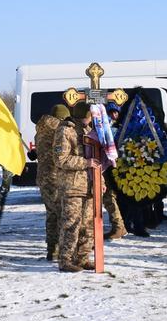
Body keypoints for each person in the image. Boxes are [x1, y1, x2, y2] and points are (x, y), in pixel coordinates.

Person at [53, 102, 100, 272]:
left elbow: (96, 159)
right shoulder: (65, 131)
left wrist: (99, 181)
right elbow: (61, 159)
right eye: (89, 117)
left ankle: (82, 258)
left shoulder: (88, 131)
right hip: (72, 186)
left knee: (88, 225)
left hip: (89, 185)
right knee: (71, 224)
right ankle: (65, 260)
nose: (90, 120)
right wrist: (85, 163)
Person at [34, 103, 69, 259]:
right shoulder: (58, 128)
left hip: (43, 177)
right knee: (62, 214)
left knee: (51, 214)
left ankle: (52, 249)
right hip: (56, 176)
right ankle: (62, 249)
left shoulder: (40, 130)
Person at [102, 102, 128, 240]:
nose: (114, 115)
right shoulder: (105, 126)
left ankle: (119, 226)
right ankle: (118, 226)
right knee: (108, 197)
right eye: (111, 112)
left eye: (116, 112)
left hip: (116, 167)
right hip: (108, 166)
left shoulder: (123, 126)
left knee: (109, 197)